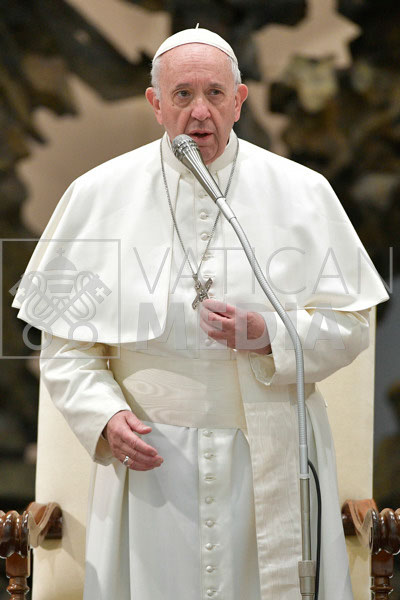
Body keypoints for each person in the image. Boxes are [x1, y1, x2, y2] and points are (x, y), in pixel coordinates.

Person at [13, 28, 388, 600]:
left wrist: (270, 335)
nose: (199, 111)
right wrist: (105, 416)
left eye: (215, 93)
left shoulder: (303, 192)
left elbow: (351, 325)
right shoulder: (97, 194)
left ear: (239, 100)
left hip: (269, 454)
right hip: (150, 461)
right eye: (182, 94)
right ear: (155, 103)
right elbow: (66, 348)